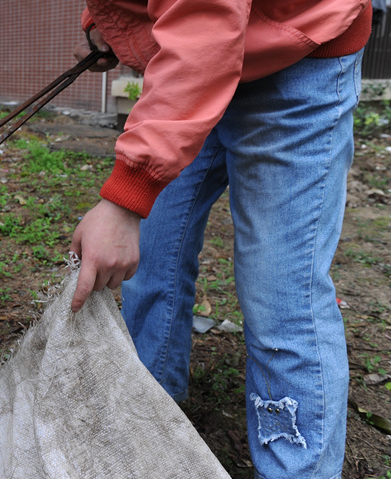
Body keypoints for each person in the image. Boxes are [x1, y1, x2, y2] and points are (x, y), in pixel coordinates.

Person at [68, 1, 372, 478]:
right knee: (151, 260)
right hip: (192, 59)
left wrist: (127, 196)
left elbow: (206, 22)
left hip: (298, 49)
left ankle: (298, 469)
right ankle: (147, 418)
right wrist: (112, 21)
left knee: (282, 297)